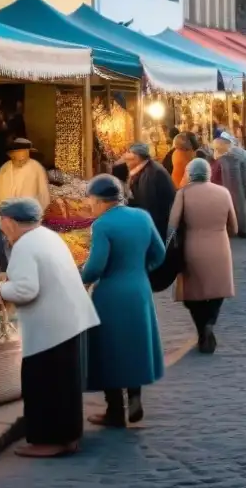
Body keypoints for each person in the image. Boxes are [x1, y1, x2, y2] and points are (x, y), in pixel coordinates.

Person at [0, 198, 98, 458]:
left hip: (51, 326)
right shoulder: (46, 236)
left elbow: (25, 289)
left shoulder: (25, 246)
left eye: (2, 222)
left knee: (44, 382)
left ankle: (50, 440)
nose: (1, 228)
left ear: (10, 222)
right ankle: (67, 437)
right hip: (67, 320)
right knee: (64, 382)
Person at [81, 175, 166, 427]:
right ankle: (136, 396)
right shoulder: (142, 216)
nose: (91, 206)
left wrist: (81, 276)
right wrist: (140, 269)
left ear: (100, 200)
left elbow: (95, 267)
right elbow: (159, 253)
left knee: (110, 348)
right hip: (139, 288)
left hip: (111, 292)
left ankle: (115, 410)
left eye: (92, 201)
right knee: (135, 343)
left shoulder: (102, 225)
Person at [168, 158, 236, 354]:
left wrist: (168, 248)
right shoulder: (223, 192)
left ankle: (201, 329)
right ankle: (210, 322)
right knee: (217, 290)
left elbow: (172, 225)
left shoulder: (183, 194)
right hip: (219, 247)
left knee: (193, 294)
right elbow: (234, 225)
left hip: (192, 247)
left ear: (189, 174)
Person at [122, 143, 177, 243]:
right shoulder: (146, 169)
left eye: (128, 152)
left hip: (158, 228)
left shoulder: (150, 174)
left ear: (137, 157)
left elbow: (147, 206)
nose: (125, 156)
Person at [211, 133, 246, 240]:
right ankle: (241, 228)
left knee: (237, 203)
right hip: (239, 182)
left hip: (232, 185)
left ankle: (240, 229)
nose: (213, 150)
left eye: (215, 148)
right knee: (239, 203)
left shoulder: (228, 157)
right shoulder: (236, 153)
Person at [0, 138, 51, 211]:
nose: (21, 159)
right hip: (5, 212)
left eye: (25, 154)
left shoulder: (36, 167)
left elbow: (43, 194)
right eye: (15, 156)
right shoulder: (6, 167)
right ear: (11, 154)